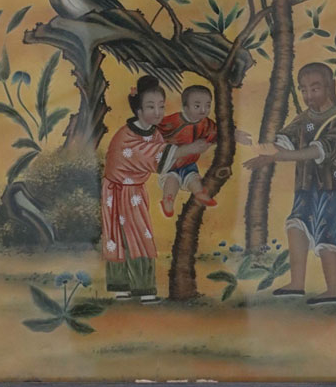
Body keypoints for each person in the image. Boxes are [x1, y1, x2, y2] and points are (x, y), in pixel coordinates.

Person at [243, 61, 336, 305]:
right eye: (303, 89)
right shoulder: (304, 119)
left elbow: (317, 151)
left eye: (315, 88)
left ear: (330, 87)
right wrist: (266, 152)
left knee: (327, 234)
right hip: (306, 187)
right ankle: (297, 283)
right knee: (296, 226)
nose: (308, 95)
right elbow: (286, 140)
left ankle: (332, 291)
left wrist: (281, 156)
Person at [100, 75, 208, 301]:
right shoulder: (126, 136)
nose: (158, 112)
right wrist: (189, 149)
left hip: (134, 191)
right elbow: (151, 155)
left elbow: (163, 157)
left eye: (161, 106)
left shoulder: (154, 132)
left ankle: (135, 287)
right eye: (151, 107)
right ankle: (135, 289)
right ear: (138, 110)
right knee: (127, 235)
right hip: (119, 191)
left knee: (136, 234)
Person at [157, 84, 253, 216]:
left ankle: (199, 194)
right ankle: (168, 201)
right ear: (185, 107)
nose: (203, 110)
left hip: (189, 163)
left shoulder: (206, 123)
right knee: (171, 180)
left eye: (207, 105)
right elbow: (156, 129)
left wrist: (234, 134)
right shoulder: (174, 121)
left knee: (194, 179)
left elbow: (219, 133)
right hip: (171, 163)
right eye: (197, 106)